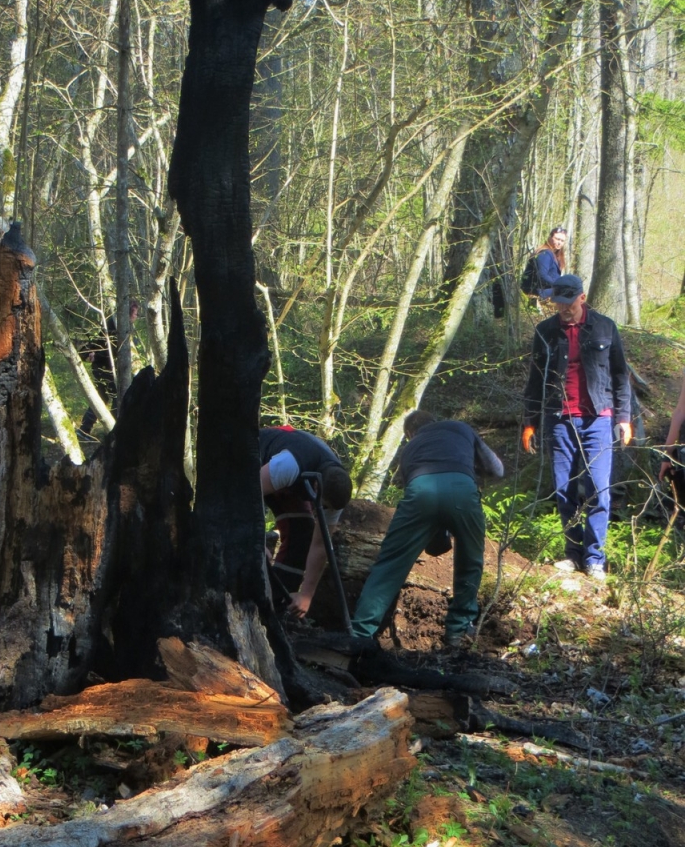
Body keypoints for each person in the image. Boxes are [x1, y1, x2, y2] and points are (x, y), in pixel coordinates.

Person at [351, 411, 503, 648]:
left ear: (410, 433)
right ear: (434, 421)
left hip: (420, 491)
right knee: (470, 560)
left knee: (390, 564)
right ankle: (458, 632)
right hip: (463, 490)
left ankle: (359, 635)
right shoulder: (459, 428)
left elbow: (419, 504)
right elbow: (497, 470)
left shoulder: (410, 449)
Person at [522, 274, 631, 580]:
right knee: (564, 489)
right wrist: (530, 422)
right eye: (558, 303)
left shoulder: (605, 327)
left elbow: (620, 376)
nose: (563, 309)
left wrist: (624, 418)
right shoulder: (545, 331)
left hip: (599, 418)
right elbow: (534, 380)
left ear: (582, 298)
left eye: (568, 303)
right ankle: (572, 554)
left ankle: (595, 558)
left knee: (598, 488)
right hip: (559, 419)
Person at [259, 426, 353, 617]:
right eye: (323, 505)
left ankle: (275, 607)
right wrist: (256, 541)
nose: (326, 510)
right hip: (254, 465)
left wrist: (307, 594)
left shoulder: (337, 490)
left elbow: (320, 544)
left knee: (302, 533)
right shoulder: (288, 465)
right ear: (316, 486)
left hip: (291, 479)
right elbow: (245, 496)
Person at [78, 301, 140, 436]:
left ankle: (85, 429)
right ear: (129, 313)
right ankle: (111, 430)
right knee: (115, 396)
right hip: (103, 367)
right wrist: (97, 356)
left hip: (103, 366)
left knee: (103, 396)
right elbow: (107, 349)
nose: (137, 317)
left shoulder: (119, 324)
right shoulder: (114, 326)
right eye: (135, 313)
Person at [529, 226, 568, 300]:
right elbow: (542, 275)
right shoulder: (545, 253)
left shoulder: (555, 255)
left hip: (548, 290)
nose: (559, 243)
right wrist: (558, 285)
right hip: (540, 291)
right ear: (550, 238)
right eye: (557, 239)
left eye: (562, 241)